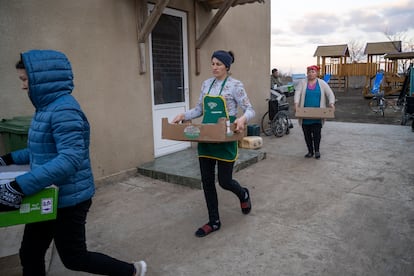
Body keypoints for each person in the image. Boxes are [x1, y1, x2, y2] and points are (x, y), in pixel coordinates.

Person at [0, 50, 146, 276]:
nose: (23, 86)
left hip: (70, 199)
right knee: (30, 252)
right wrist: (7, 160)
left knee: (74, 258)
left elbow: (69, 159)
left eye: (25, 79)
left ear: (42, 79)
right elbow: (41, 150)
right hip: (47, 194)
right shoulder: (46, 108)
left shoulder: (64, 110)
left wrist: (19, 186)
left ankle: (132, 271)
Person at [171, 50, 255, 238]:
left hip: (225, 137)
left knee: (225, 181)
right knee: (207, 182)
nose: (214, 67)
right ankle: (214, 221)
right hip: (207, 137)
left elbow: (250, 109)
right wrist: (183, 115)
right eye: (212, 63)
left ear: (227, 66)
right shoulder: (206, 84)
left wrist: (242, 119)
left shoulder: (235, 85)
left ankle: (243, 194)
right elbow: (200, 109)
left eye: (218, 64)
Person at [294, 65, 335, 159]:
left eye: (313, 72)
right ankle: (310, 151)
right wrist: (296, 104)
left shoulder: (322, 83)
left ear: (317, 73)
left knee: (317, 134)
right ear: (307, 73)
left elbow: (330, 94)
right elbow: (297, 93)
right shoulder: (302, 83)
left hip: (318, 114)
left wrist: (331, 103)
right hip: (305, 114)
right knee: (307, 134)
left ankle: (317, 151)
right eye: (309, 72)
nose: (311, 74)